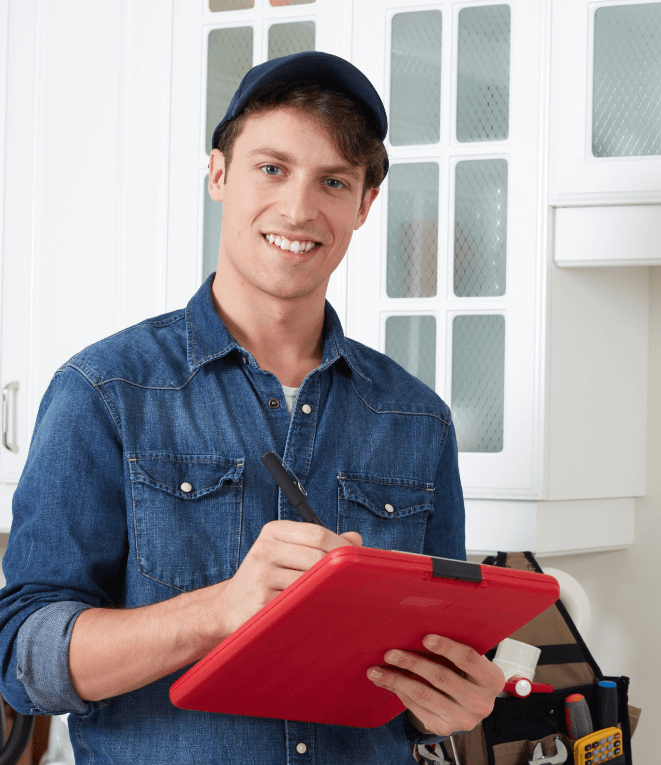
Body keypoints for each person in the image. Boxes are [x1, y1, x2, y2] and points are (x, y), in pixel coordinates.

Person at [0, 52, 504, 764]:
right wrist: (220, 608)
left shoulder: (417, 419)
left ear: (363, 205)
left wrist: (446, 705)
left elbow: (424, 673)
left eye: (332, 181)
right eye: (271, 168)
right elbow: (27, 663)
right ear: (218, 175)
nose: (299, 209)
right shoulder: (105, 390)